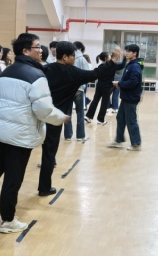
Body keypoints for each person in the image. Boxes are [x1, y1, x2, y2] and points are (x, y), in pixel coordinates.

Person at [0, 33, 68, 233]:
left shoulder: (6, 72)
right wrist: (61, 117)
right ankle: (8, 220)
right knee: (13, 178)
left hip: (1, 132)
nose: (41, 50)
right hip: (20, 135)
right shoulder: (36, 76)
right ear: (26, 51)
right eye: (37, 47)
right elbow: (43, 109)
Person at [39, 41, 113, 196]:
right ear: (65, 57)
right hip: (55, 118)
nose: (75, 58)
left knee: (39, 150)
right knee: (49, 153)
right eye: (73, 55)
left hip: (40, 114)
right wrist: (112, 62)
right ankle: (44, 187)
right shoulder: (73, 73)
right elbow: (95, 73)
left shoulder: (46, 69)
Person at [107, 44, 144, 151]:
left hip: (131, 98)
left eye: (128, 51)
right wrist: (120, 83)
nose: (126, 53)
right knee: (120, 118)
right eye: (126, 51)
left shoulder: (135, 66)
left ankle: (136, 144)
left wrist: (120, 84)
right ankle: (119, 140)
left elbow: (133, 82)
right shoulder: (131, 64)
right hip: (126, 97)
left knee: (131, 120)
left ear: (135, 53)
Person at [85, 48, 125, 125]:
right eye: (109, 56)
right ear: (106, 58)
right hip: (107, 87)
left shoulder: (101, 66)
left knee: (95, 100)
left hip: (99, 85)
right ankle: (100, 119)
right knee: (104, 103)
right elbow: (122, 65)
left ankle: (88, 116)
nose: (110, 57)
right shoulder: (112, 66)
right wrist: (124, 57)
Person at [63, 41, 91, 142]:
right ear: (80, 48)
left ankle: (67, 135)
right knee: (80, 113)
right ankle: (80, 136)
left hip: (67, 89)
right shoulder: (82, 59)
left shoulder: (66, 58)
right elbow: (87, 74)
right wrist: (83, 86)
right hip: (79, 89)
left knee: (67, 113)